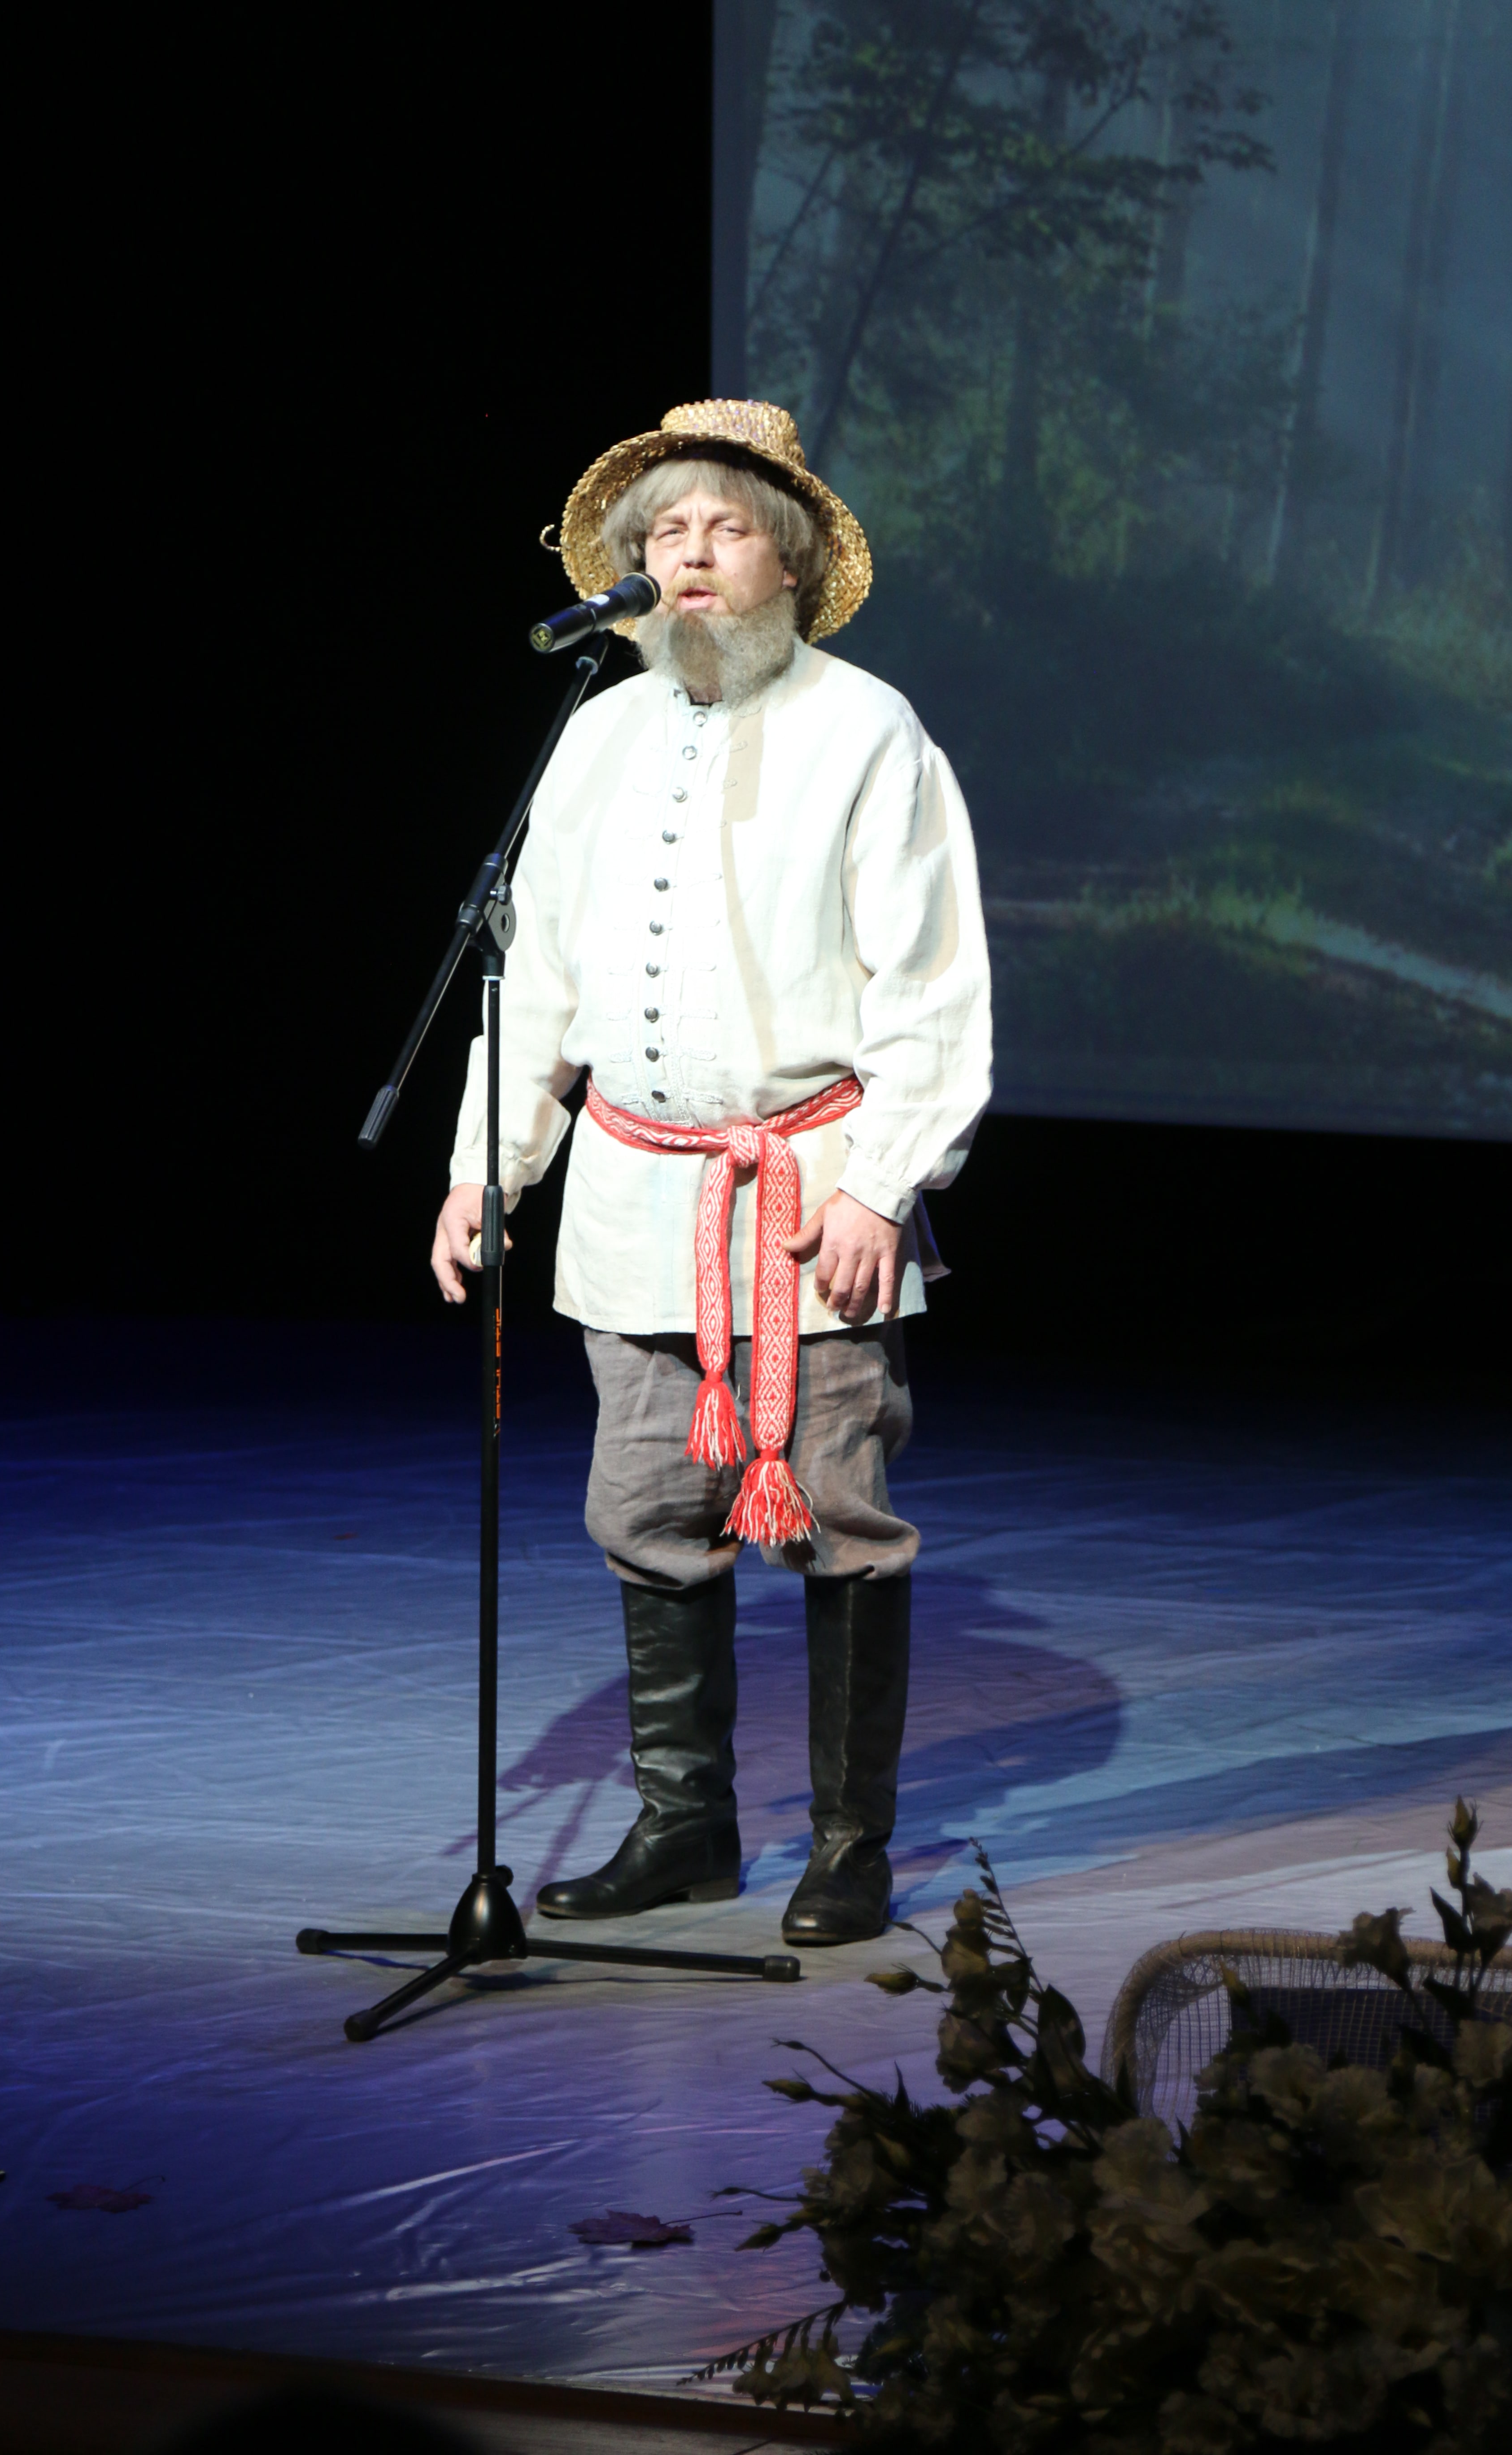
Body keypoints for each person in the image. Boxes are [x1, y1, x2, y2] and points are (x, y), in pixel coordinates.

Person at [431, 400, 991, 1946]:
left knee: (832, 1511)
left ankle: (849, 1845)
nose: (689, 554)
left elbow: (932, 985)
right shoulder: (596, 732)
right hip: (635, 1190)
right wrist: (490, 1168)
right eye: (663, 532)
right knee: (645, 1504)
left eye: (726, 529)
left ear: (789, 562)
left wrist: (884, 1183)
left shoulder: (867, 729)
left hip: (809, 1192)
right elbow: (543, 977)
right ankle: (685, 1826)